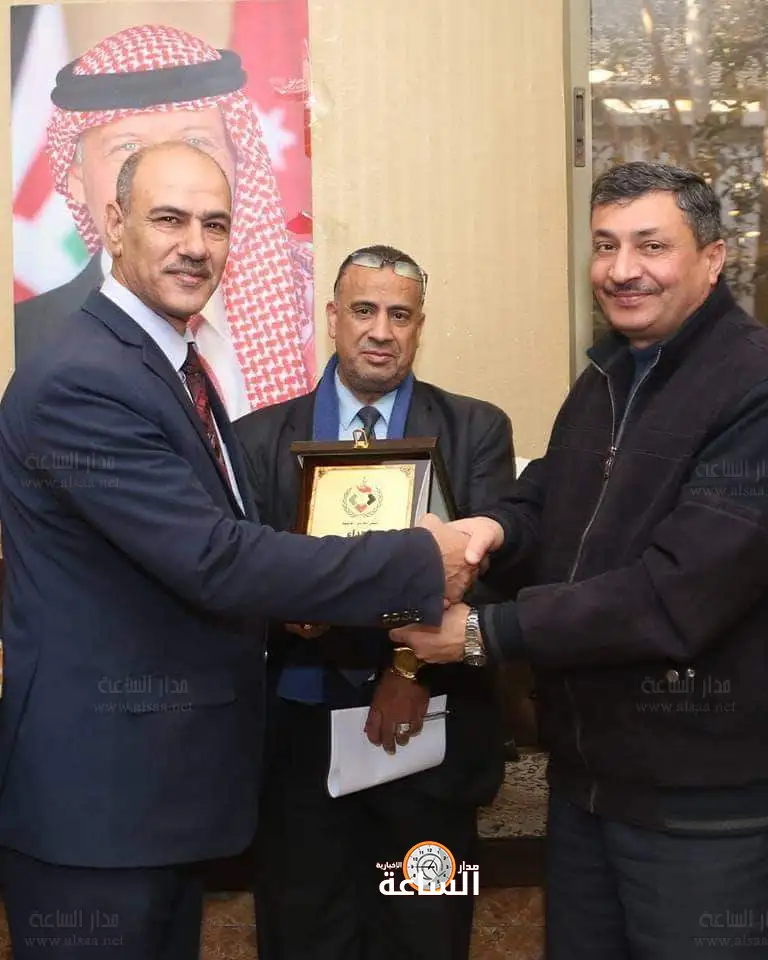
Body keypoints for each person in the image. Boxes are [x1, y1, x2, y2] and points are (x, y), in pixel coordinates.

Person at [0, 142, 474, 960]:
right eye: (169, 219)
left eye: (214, 224)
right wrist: (417, 562)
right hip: (98, 803)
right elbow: (217, 559)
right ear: (113, 224)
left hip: (159, 795)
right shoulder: (84, 377)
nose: (195, 245)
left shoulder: (171, 364)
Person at [394, 162, 768, 959]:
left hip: (702, 805)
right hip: (586, 785)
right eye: (605, 245)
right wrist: (488, 530)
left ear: (711, 259)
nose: (621, 270)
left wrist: (482, 634)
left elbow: (672, 597)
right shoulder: (607, 378)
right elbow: (545, 502)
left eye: (650, 245)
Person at [235, 244, 515, 960]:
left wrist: (406, 669)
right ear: (332, 316)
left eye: (400, 315)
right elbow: (232, 571)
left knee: (427, 933)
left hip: (429, 742)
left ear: (420, 325)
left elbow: (488, 573)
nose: (380, 331)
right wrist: (284, 610)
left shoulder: (476, 429)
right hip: (296, 744)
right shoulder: (256, 439)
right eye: (363, 310)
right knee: (302, 936)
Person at [14, 23, 313, 415]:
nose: (168, 177)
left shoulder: (310, 313)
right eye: (128, 147)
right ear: (77, 181)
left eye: (195, 142)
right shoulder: (28, 335)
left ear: (238, 160)